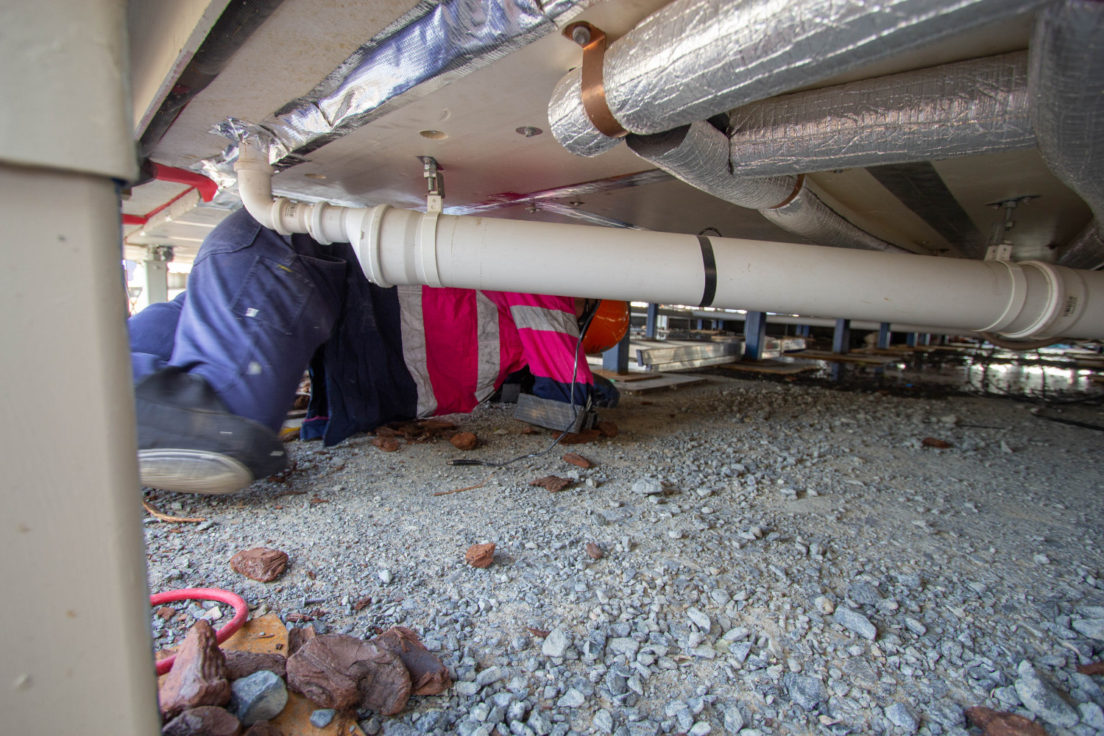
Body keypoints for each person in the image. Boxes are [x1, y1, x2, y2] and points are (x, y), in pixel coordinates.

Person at [129, 208, 620, 494]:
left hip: (304, 287)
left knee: (186, 334)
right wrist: (578, 390)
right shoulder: (541, 281)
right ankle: (107, 408)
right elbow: (563, 391)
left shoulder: (515, 337)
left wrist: (588, 387)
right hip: (294, 258)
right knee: (223, 419)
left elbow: (541, 378)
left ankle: (95, 382)